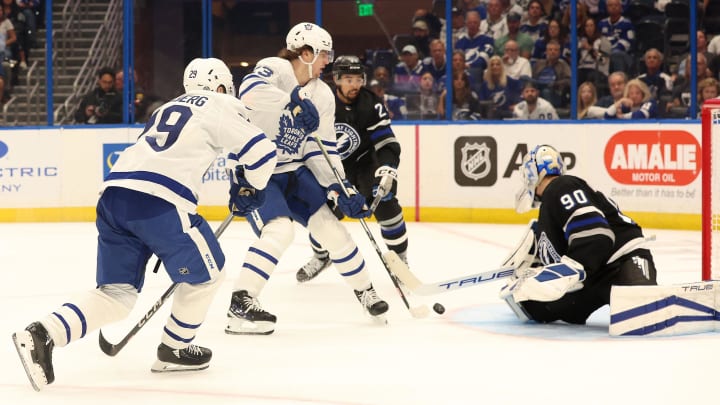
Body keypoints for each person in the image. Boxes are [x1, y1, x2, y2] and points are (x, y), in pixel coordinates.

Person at [12, 57, 278, 391]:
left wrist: (241, 180)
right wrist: (250, 188)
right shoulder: (221, 102)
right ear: (222, 85)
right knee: (209, 274)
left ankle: (42, 333)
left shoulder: (165, 107)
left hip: (114, 197)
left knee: (116, 294)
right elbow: (263, 152)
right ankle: (175, 348)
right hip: (161, 201)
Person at [226, 23, 390, 335]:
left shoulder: (323, 94)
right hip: (259, 171)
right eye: (324, 54)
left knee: (332, 230)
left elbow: (321, 148)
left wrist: (340, 188)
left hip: (294, 171)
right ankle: (241, 301)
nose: (329, 60)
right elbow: (249, 90)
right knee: (279, 231)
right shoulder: (274, 68)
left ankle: (365, 291)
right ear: (306, 52)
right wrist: (293, 101)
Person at [500, 144, 657, 324]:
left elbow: (597, 236)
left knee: (642, 310)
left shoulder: (561, 186)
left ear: (533, 173)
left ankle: (649, 296)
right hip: (590, 276)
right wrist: (530, 274)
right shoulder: (547, 214)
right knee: (535, 308)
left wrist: (569, 268)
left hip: (621, 260)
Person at [296, 55, 412, 285]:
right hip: (332, 167)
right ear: (337, 79)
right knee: (320, 214)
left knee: (387, 201)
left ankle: (401, 261)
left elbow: (386, 142)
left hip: (367, 164)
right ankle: (321, 256)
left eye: (359, 79)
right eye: (348, 79)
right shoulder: (322, 101)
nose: (355, 85)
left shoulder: (371, 104)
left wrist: (388, 168)